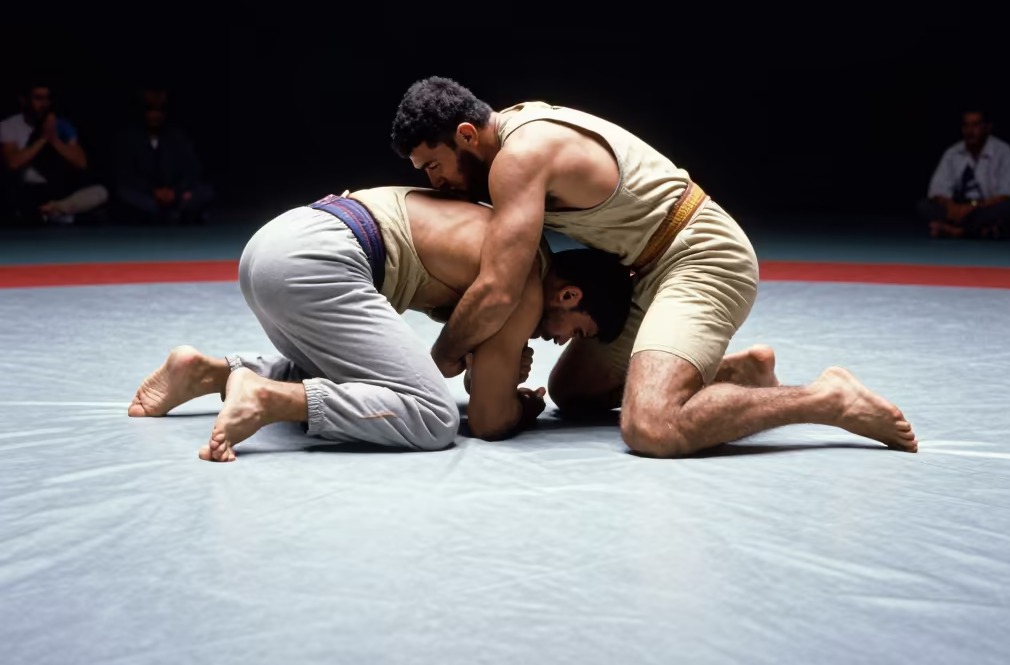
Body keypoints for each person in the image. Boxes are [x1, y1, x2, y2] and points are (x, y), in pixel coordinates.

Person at [390, 77, 918, 459]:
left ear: (465, 133)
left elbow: (501, 290)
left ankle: (827, 398)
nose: (435, 181)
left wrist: (441, 357)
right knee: (575, 394)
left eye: (433, 165)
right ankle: (742, 373)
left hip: (701, 256)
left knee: (653, 426)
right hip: (641, 272)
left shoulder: (520, 156)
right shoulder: (516, 130)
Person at [128, 185, 634, 461]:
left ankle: (211, 371)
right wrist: (516, 410)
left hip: (276, 243)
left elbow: (477, 372)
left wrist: (493, 376)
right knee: (435, 419)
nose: (559, 340)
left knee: (371, 380)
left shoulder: (504, 237)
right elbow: (485, 420)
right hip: (316, 263)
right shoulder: (523, 275)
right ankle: (269, 397)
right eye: (577, 331)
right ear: (569, 294)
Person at [0, 83, 108, 225]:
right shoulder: (9, 126)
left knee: (100, 192)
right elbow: (13, 164)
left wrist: (54, 139)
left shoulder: (62, 125)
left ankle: (54, 210)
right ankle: (53, 214)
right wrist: (43, 138)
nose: (44, 103)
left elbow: (81, 163)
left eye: (47, 98)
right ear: (24, 100)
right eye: (38, 98)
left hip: (57, 191)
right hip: (26, 189)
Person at [918, 109, 1010, 239]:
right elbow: (938, 190)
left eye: (975, 125)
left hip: (986, 206)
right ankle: (980, 231)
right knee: (925, 205)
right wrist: (952, 207)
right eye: (966, 126)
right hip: (958, 208)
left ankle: (957, 232)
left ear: (987, 127)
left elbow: (1008, 194)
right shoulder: (953, 153)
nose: (970, 131)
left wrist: (973, 207)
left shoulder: (1005, 153)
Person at [115, 88, 214, 224]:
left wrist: (176, 192)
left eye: (159, 110)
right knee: (125, 194)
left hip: (176, 195)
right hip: (147, 196)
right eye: (150, 110)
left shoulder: (177, 137)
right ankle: (161, 215)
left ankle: (178, 213)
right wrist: (154, 192)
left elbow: (192, 170)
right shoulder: (130, 138)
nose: (155, 115)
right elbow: (127, 175)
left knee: (203, 192)